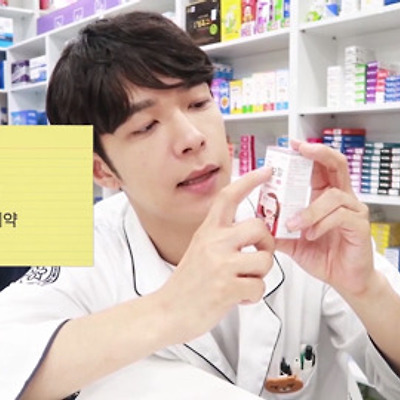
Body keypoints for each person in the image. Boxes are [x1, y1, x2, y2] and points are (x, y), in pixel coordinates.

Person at [0, 10, 399, 400]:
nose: (192, 137)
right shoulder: (86, 244)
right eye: (146, 126)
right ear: (101, 170)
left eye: (198, 103)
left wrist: (367, 289)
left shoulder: (298, 218)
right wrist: (169, 310)